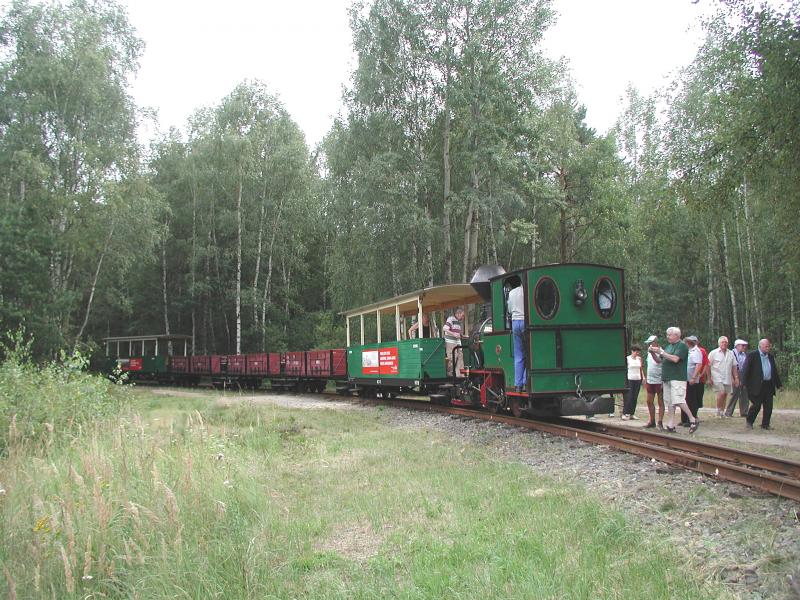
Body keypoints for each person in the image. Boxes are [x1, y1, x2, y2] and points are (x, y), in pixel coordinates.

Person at [655, 326, 699, 433]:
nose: (668, 337)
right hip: (667, 378)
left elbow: (675, 359)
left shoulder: (682, 346)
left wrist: (661, 352)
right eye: (667, 335)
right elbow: (659, 360)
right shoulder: (668, 346)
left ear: (677, 335)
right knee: (670, 402)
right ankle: (670, 425)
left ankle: (693, 420)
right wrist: (653, 352)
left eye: (670, 335)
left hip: (677, 378)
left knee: (678, 400)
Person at [743, 338, 782, 430]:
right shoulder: (752, 355)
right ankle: (749, 422)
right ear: (760, 346)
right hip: (756, 385)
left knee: (769, 406)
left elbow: (774, 372)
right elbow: (745, 370)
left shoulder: (770, 357)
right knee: (756, 405)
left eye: (769, 346)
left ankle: (765, 424)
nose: (768, 348)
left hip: (768, 385)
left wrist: (779, 384)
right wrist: (743, 383)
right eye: (766, 346)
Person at [708, 336, 738, 418]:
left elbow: (734, 366)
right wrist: (709, 378)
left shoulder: (731, 353)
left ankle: (722, 412)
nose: (724, 343)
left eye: (725, 342)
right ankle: (717, 411)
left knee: (725, 394)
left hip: (727, 377)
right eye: (722, 342)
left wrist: (736, 378)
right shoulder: (713, 353)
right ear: (719, 343)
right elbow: (708, 365)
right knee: (721, 393)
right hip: (717, 376)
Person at [681, 335, 708, 426]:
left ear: (689, 343)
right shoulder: (687, 351)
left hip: (691, 380)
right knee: (684, 399)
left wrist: (694, 377)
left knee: (691, 400)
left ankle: (691, 419)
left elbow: (699, 365)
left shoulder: (696, 351)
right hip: (685, 379)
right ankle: (684, 419)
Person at [507, 281, 526, 392]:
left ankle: (517, 385)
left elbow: (509, 309)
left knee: (518, 355)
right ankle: (525, 382)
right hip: (525, 321)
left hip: (515, 323)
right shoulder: (527, 291)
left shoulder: (512, 292)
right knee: (529, 355)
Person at [644, 335, 665, 429]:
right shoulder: (649, 352)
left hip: (659, 380)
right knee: (649, 401)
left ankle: (660, 422)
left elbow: (658, 361)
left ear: (655, 342)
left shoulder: (661, 351)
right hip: (650, 380)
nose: (649, 345)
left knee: (660, 401)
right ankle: (652, 421)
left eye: (650, 343)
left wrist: (652, 352)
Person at [725, 339, 750, 417]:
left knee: (745, 393)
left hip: (743, 374)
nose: (744, 347)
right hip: (734, 374)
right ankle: (729, 412)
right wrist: (732, 378)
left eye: (745, 345)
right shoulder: (731, 353)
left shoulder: (744, 354)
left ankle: (744, 412)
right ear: (737, 346)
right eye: (742, 345)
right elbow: (728, 366)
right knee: (734, 393)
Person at [622, 345, 643, 420]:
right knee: (629, 397)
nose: (637, 353)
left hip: (638, 379)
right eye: (635, 351)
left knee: (635, 397)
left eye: (638, 352)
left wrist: (643, 377)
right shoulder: (627, 359)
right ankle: (625, 413)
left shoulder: (639, 359)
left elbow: (641, 369)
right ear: (632, 351)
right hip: (630, 379)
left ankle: (632, 413)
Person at [443, 307, 465, 376]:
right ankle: (450, 373)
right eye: (462, 315)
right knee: (453, 357)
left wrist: (462, 335)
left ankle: (460, 374)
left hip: (458, 342)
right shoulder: (451, 319)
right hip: (450, 342)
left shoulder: (459, 322)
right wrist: (453, 334)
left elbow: (456, 331)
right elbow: (445, 329)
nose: (463, 317)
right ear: (458, 314)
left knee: (460, 356)